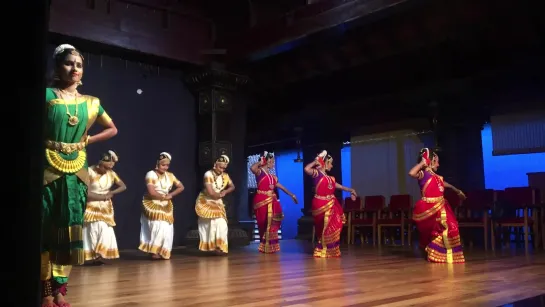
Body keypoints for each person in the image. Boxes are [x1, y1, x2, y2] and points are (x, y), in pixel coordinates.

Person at [42, 44, 118, 307]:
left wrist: (88, 140)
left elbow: (112, 129)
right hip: (47, 166)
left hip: (77, 170)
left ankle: (60, 291)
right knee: (44, 228)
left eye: (79, 64)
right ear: (57, 66)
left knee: (70, 229)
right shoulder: (46, 95)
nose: (74, 68)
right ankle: (43, 292)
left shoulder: (92, 103)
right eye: (68, 63)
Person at [408, 148, 466, 263]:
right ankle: (436, 254)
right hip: (429, 208)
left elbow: (445, 184)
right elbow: (411, 173)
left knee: (452, 226)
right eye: (436, 161)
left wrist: (457, 190)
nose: (438, 164)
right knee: (433, 232)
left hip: (442, 206)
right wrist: (422, 163)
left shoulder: (437, 177)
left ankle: (448, 255)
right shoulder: (422, 174)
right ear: (430, 161)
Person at [304, 150, 357, 258]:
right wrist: (317, 159)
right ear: (325, 163)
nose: (332, 166)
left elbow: (339, 186)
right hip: (320, 203)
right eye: (330, 163)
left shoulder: (330, 178)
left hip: (330, 203)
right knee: (323, 225)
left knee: (333, 222)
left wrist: (350, 189)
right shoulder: (317, 173)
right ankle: (322, 248)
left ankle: (330, 248)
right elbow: (306, 169)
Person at [83, 150, 127, 265]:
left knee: (104, 230)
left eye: (111, 165)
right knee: (93, 228)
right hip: (92, 205)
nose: (110, 168)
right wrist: (102, 197)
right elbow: (86, 193)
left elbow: (123, 186)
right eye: (108, 165)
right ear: (101, 163)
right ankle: (92, 255)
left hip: (106, 206)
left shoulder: (111, 173)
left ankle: (98, 256)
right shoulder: (89, 171)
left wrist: (112, 193)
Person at [139, 152, 185, 260]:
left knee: (166, 228)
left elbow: (181, 187)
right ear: (157, 164)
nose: (165, 167)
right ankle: (154, 251)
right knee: (156, 226)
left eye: (167, 165)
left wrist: (171, 195)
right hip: (153, 203)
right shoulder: (151, 174)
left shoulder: (170, 176)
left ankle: (163, 251)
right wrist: (163, 197)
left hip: (165, 204)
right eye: (163, 165)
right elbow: (151, 192)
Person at [250, 151, 298, 253]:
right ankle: (264, 244)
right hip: (261, 201)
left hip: (272, 201)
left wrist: (291, 195)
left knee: (272, 222)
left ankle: (270, 244)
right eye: (272, 162)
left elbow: (282, 187)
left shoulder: (273, 177)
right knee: (263, 223)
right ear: (267, 162)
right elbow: (252, 168)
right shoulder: (259, 172)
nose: (273, 164)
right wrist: (260, 162)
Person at [195, 155, 235, 254]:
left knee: (221, 224)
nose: (221, 170)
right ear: (215, 165)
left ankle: (220, 246)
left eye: (224, 168)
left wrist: (225, 192)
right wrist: (219, 195)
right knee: (209, 225)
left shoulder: (225, 176)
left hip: (217, 201)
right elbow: (211, 192)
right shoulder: (208, 174)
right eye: (220, 167)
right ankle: (211, 247)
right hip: (206, 201)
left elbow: (232, 186)